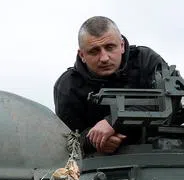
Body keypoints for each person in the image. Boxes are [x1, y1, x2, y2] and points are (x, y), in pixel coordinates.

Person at [53, 16, 169, 154]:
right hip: (99, 165)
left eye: (110, 47)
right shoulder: (68, 86)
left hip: (160, 152)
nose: (104, 58)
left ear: (122, 46)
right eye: (94, 51)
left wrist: (113, 122)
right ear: (82, 55)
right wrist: (93, 140)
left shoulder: (145, 61)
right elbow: (67, 139)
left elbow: (170, 100)